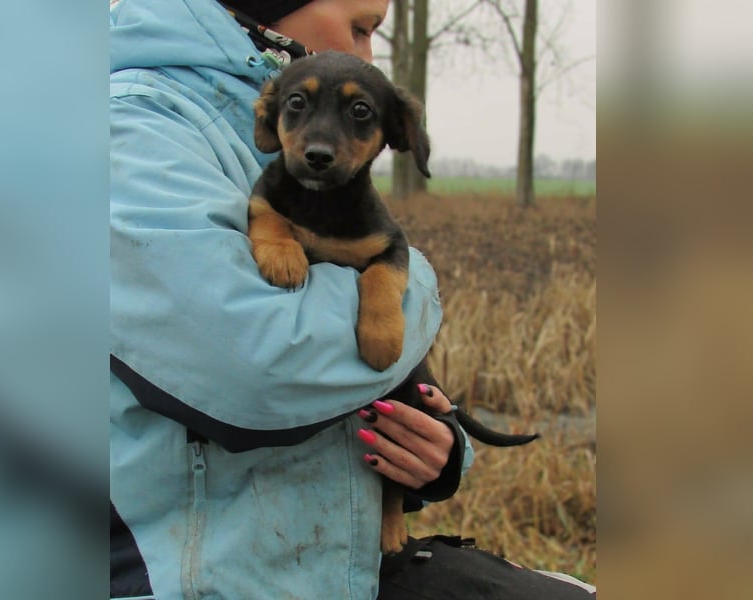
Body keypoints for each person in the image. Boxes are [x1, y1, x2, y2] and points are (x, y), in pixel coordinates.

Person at [109, 1, 596, 598]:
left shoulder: (259, 124)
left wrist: (434, 454)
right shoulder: (133, 126)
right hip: (199, 575)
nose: (367, 56)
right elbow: (261, 367)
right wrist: (412, 287)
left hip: (331, 560)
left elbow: (348, 375)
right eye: (360, 29)